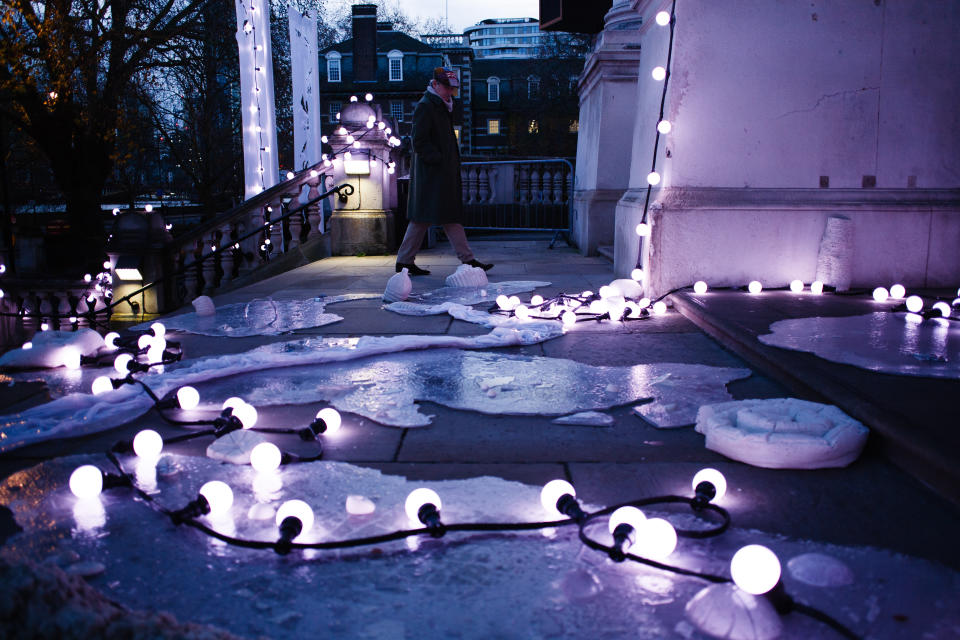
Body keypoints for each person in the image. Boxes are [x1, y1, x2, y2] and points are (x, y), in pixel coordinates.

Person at [396, 67, 492, 276]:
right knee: (428, 217)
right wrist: (439, 161)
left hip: (437, 172)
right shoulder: (427, 106)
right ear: (436, 84)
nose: (451, 93)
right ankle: (465, 260)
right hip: (433, 173)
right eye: (448, 88)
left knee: (440, 216)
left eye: (453, 89)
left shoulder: (438, 105)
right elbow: (419, 141)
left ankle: (465, 260)